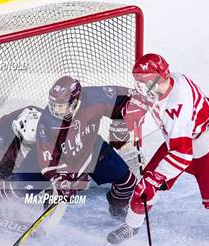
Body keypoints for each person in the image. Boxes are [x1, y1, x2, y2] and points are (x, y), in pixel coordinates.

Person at [108, 53, 209, 244]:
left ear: (160, 77)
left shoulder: (179, 102)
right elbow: (141, 101)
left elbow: (182, 154)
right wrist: (132, 113)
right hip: (177, 144)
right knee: (144, 187)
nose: (141, 86)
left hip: (206, 148)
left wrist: (156, 179)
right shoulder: (158, 84)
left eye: (144, 81)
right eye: (138, 81)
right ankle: (131, 226)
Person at [35, 76, 138, 219]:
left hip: (94, 150)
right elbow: (48, 159)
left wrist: (122, 122)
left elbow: (131, 98)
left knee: (128, 183)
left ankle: (118, 209)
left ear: (75, 101)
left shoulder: (95, 97)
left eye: (61, 105)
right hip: (68, 161)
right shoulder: (46, 123)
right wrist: (60, 179)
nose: (55, 110)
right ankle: (47, 212)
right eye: (53, 105)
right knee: (60, 194)